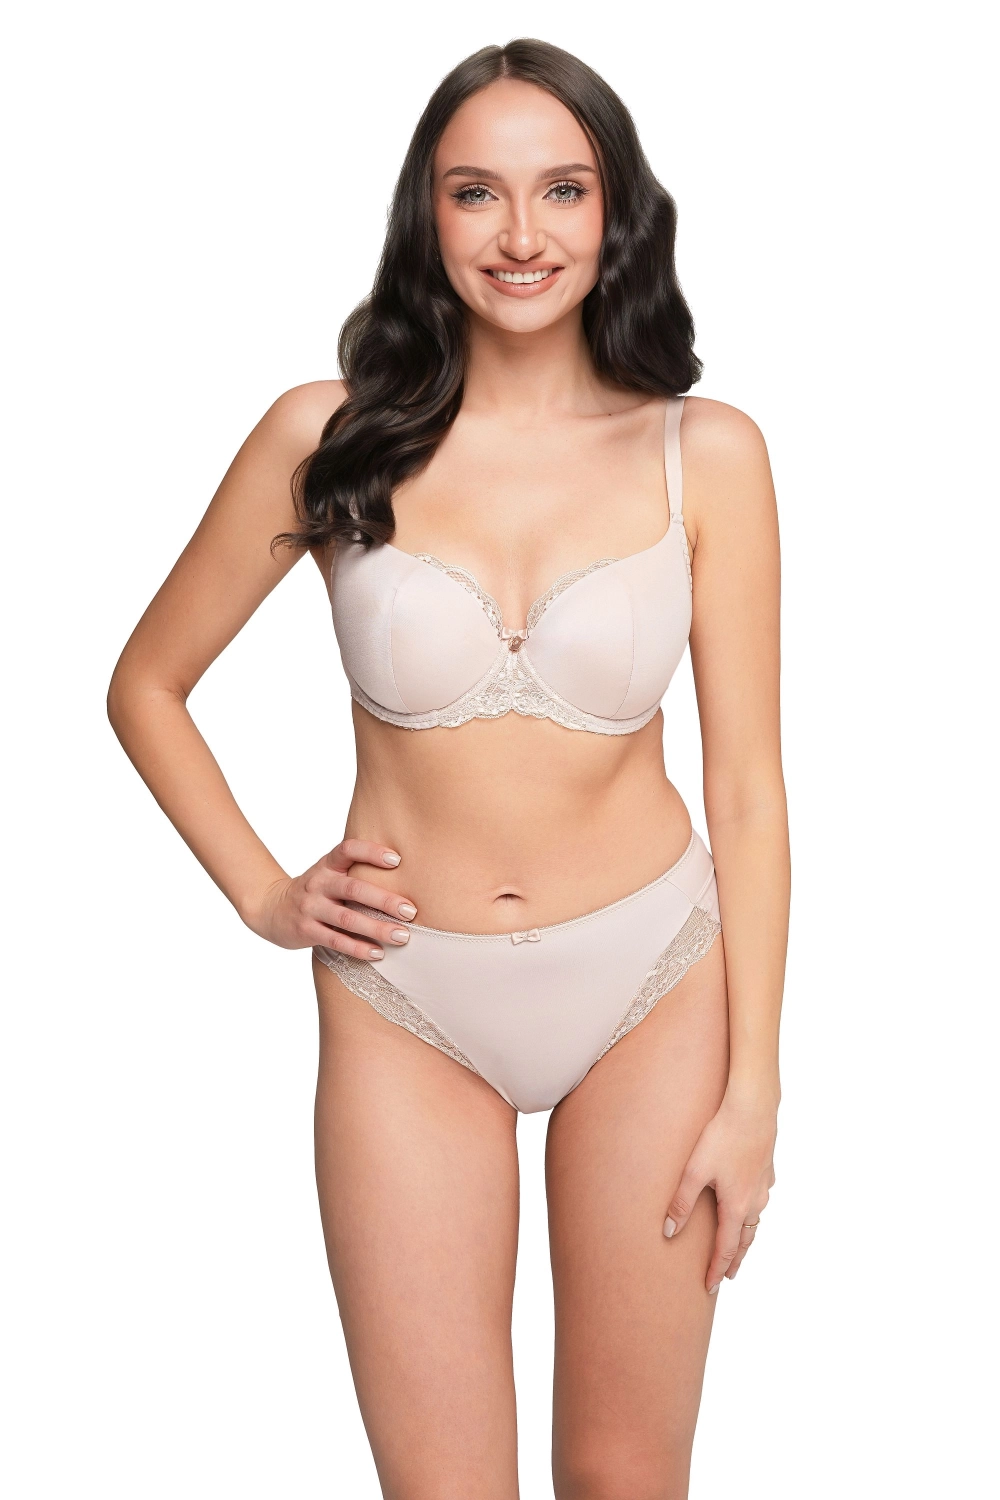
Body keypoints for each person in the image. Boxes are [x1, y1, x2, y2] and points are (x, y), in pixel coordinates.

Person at [108, 37, 789, 1500]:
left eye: (564, 190)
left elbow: (748, 792)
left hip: (653, 985)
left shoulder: (709, 454)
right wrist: (266, 896)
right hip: (406, 1002)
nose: (521, 233)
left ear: (618, 212)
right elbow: (147, 686)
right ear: (428, 213)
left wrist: (756, 1092)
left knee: (627, 1480)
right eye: (477, 192)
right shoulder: (326, 435)